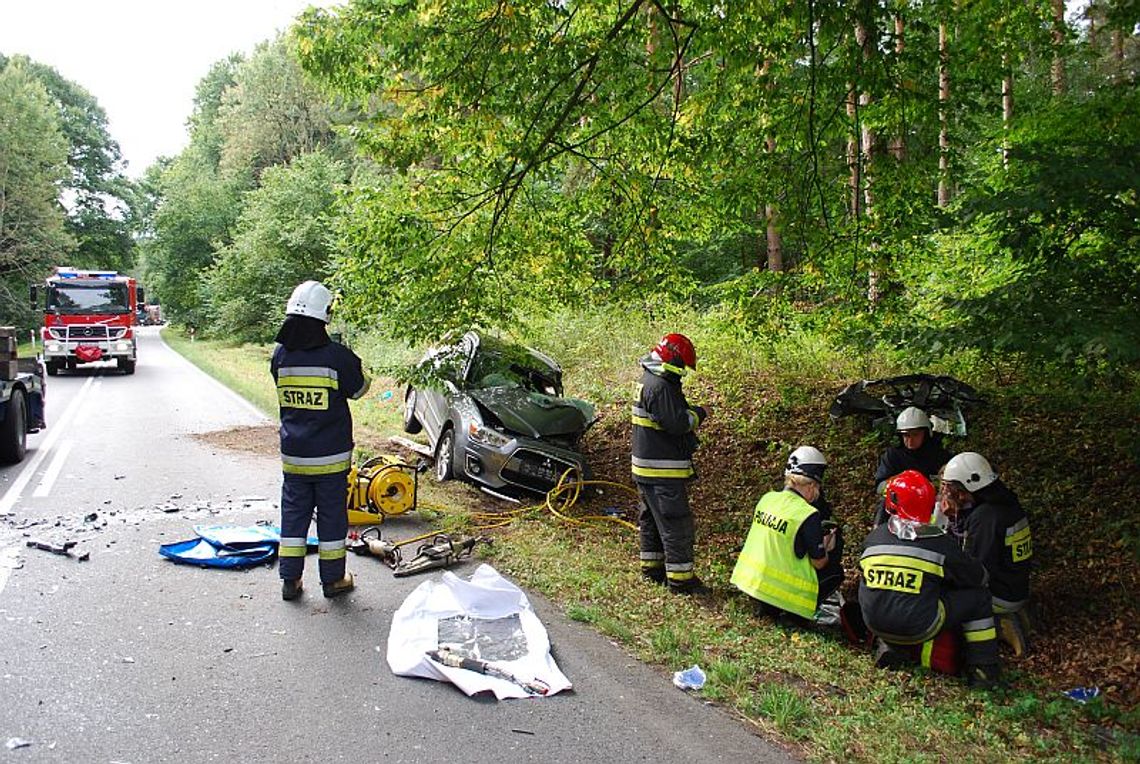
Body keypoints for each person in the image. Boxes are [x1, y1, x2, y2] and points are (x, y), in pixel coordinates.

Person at [271, 280, 370, 601]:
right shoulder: (336, 356)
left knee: (293, 517)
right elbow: (360, 388)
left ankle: (290, 581)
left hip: (295, 458)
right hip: (330, 458)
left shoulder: (280, 356)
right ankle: (333, 580)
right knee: (331, 518)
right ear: (323, 315)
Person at [858, 470, 1000, 688]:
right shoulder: (940, 545)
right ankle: (984, 671)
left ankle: (889, 647)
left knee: (895, 594)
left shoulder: (873, 539)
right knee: (979, 598)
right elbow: (978, 577)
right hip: (920, 627)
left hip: (873, 623)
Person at [631, 332, 708, 594]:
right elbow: (677, 424)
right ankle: (681, 580)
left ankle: (652, 569)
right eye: (681, 367)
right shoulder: (660, 386)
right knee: (676, 523)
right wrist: (698, 414)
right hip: (662, 470)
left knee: (652, 520)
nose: (682, 372)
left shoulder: (650, 380)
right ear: (670, 358)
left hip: (647, 467)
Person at [731, 446, 842, 624]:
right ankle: (797, 616)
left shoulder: (767, 499)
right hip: (785, 595)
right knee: (835, 572)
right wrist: (826, 543)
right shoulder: (807, 513)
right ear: (812, 484)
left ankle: (768, 610)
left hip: (751, 584)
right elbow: (819, 563)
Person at [939, 452, 1032, 655]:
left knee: (947, 592)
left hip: (1000, 596)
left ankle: (999, 624)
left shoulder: (985, 518)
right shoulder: (1006, 503)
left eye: (955, 490)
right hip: (1017, 587)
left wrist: (952, 524)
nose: (954, 495)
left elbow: (973, 571)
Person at [872, 406, 952, 526]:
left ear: (925, 434)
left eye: (915, 435)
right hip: (900, 504)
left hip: (931, 504)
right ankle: (878, 534)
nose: (910, 441)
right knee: (884, 503)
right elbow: (880, 486)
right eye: (906, 435)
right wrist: (903, 483)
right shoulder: (893, 455)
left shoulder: (938, 454)